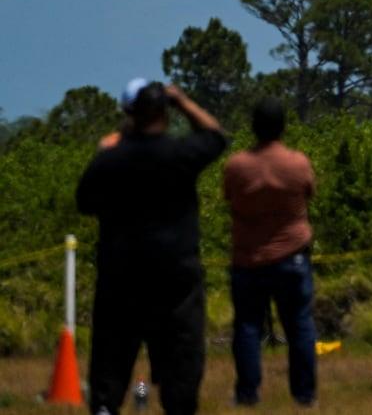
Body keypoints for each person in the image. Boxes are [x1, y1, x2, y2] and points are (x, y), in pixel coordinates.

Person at [77, 81, 228, 415]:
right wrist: (184, 101)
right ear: (165, 113)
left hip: (121, 279)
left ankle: (105, 406)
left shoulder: (112, 160)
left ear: (130, 115)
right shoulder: (179, 154)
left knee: (111, 360)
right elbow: (216, 136)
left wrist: (108, 151)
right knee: (180, 361)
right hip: (175, 281)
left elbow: (84, 200)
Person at [223, 99, 318, 407]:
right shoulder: (298, 163)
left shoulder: (237, 166)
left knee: (248, 328)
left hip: (249, 259)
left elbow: (228, 198)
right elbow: (309, 192)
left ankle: (248, 394)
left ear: (253, 127)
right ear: (283, 127)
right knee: (300, 325)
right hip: (292, 255)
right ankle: (304, 395)